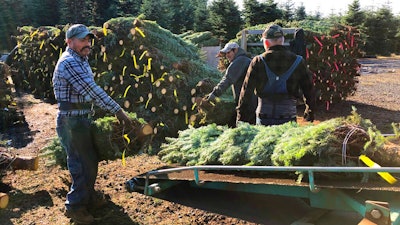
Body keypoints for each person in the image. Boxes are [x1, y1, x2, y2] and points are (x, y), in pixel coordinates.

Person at [53, 24, 133, 224]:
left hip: (80, 119)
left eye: (88, 40)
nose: (87, 44)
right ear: (69, 42)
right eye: (82, 40)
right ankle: (75, 207)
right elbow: (92, 90)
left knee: (89, 162)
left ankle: (87, 198)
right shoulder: (70, 62)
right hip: (71, 122)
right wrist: (118, 110)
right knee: (81, 164)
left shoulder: (81, 60)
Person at [237, 24, 316, 126]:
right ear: (282, 40)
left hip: (263, 117)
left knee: (263, 142)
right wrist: (309, 112)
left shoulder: (258, 61)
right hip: (288, 118)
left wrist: (241, 118)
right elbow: (309, 90)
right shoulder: (298, 61)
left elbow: (246, 92)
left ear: (265, 42)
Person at [205, 42, 256, 126]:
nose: (227, 55)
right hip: (251, 100)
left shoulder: (239, 61)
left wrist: (215, 93)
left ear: (235, 50)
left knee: (243, 127)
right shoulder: (245, 59)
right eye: (226, 53)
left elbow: (227, 79)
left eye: (229, 52)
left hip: (247, 102)